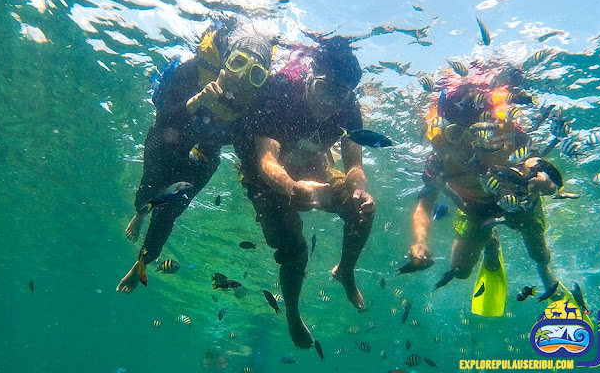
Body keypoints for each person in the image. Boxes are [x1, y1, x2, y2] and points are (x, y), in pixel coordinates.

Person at [234, 35, 375, 348]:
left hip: (311, 164)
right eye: (324, 88)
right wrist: (291, 187)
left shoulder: (349, 109)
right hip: (264, 177)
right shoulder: (279, 90)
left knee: (362, 210)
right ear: (311, 77)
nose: (329, 102)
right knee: (294, 248)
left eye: (339, 93)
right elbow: (266, 159)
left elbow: (354, 165)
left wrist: (361, 190)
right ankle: (293, 313)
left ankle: (346, 270)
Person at [117, 18, 276, 293]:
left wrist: (258, 194)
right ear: (226, 58)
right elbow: (162, 123)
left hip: (205, 154)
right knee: (147, 195)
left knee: (170, 212)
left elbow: (248, 149)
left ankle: (141, 263)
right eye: (238, 62)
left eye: (255, 73)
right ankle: (141, 213)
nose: (241, 77)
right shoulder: (193, 71)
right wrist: (197, 101)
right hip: (168, 139)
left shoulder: (255, 104)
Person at [409, 78, 561, 316]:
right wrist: (420, 240)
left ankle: (545, 273)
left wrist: (545, 183)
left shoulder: (510, 139)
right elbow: (424, 205)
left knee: (539, 253)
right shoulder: (438, 159)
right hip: (475, 210)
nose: (470, 142)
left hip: (518, 203)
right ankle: (490, 242)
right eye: (458, 132)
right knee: (459, 270)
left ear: (490, 124)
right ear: (446, 131)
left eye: (479, 130)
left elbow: (541, 168)